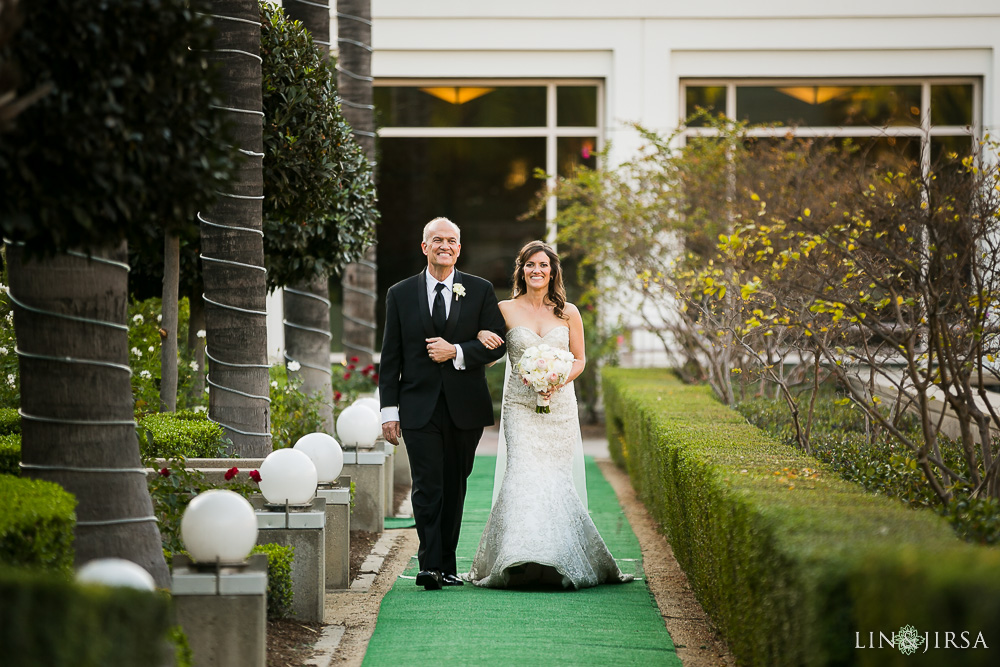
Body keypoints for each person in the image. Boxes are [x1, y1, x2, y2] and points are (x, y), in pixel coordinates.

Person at [465, 240, 633, 589]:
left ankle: (556, 559)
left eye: (543, 265)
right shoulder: (505, 309)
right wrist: (481, 335)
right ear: (521, 270)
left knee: (555, 480)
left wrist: (556, 380)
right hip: (520, 407)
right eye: (530, 265)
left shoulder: (568, 312)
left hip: (559, 408)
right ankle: (517, 559)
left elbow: (581, 360)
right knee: (523, 474)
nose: (536, 270)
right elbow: (491, 354)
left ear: (553, 271)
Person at [379, 217, 507, 590]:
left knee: (454, 485)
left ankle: (448, 565)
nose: (444, 246)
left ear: (459, 249)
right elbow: (391, 358)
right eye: (437, 240)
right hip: (418, 407)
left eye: (451, 241)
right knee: (427, 486)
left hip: (464, 408)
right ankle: (429, 565)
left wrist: (458, 351)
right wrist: (389, 412)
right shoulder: (400, 294)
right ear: (425, 247)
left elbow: (498, 341)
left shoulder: (480, 290)